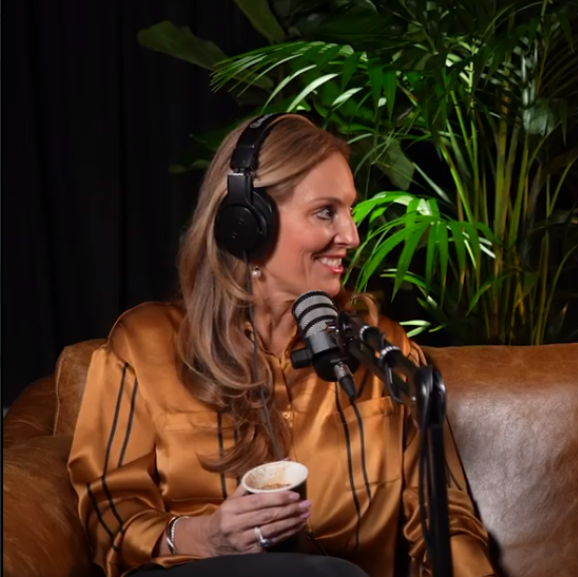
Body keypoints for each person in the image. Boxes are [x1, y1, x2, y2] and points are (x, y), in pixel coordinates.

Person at [67, 113, 497, 577]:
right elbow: (111, 519)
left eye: (350, 211)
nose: (351, 236)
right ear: (247, 223)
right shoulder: (142, 348)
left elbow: (446, 520)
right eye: (325, 212)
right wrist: (205, 536)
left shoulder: (383, 354)